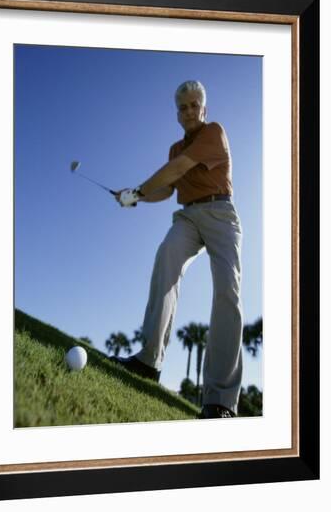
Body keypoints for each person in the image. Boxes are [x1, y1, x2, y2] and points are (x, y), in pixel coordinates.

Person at [112, 80, 243, 419]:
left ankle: (220, 400)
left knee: (227, 290)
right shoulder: (174, 148)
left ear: (204, 108)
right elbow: (166, 191)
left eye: (194, 105)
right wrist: (137, 196)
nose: (188, 111)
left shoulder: (213, 132)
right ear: (177, 113)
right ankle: (148, 361)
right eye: (182, 107)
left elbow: (179, 169)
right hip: (187, 216)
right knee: (166, 257)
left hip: (220, 213)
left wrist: (139, 189)